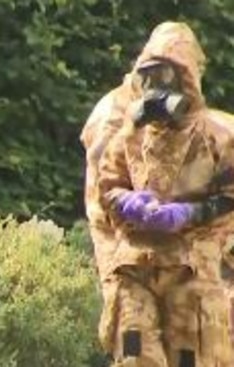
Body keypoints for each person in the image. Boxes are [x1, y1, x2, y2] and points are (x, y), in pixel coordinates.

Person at [96, 21, 234, 366]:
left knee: (192, 357)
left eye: (166, 75)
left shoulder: (217, 137)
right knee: (134, 353)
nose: (156, 86)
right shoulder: (130, 135)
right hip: (135, 268)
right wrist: (128, 203)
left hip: (191, 271)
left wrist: (189, 214)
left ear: (185, 76)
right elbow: (107, 185)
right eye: (149, 76)